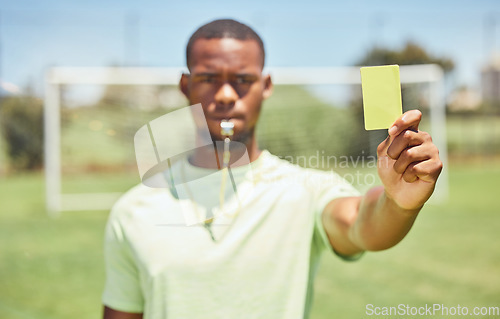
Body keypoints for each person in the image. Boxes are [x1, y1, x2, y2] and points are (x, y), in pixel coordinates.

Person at [102, 19, 442, 319]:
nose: (224, 94)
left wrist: (398, 203)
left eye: (241, 80)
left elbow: (362, 226)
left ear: (265, 86)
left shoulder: (306, 190)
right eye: (207, 78)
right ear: (185, 86)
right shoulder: (133, 211)